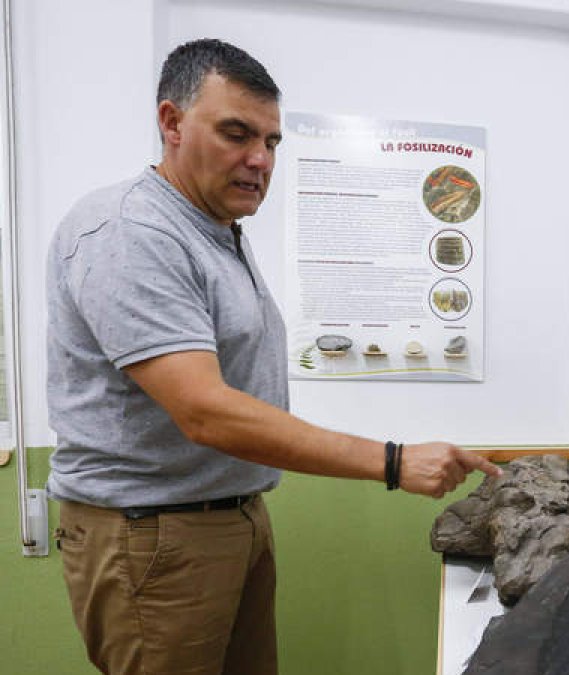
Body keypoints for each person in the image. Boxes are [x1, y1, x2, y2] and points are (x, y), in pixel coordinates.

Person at [46, 38, 500, 675]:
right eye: (236, 134)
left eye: (271, 142)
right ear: (172, 123)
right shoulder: (132, 231)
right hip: (154, 533)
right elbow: (206, 412)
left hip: (230, 515)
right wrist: (394, 462)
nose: (259, 160)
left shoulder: (216, 231)